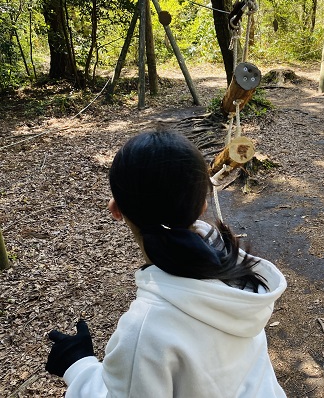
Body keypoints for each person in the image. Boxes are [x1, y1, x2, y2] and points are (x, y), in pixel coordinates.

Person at [45, 129, 287, 397]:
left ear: (116, 210)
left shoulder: (145, 332)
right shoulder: (237, 273)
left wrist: (77, 366)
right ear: (202, 208)